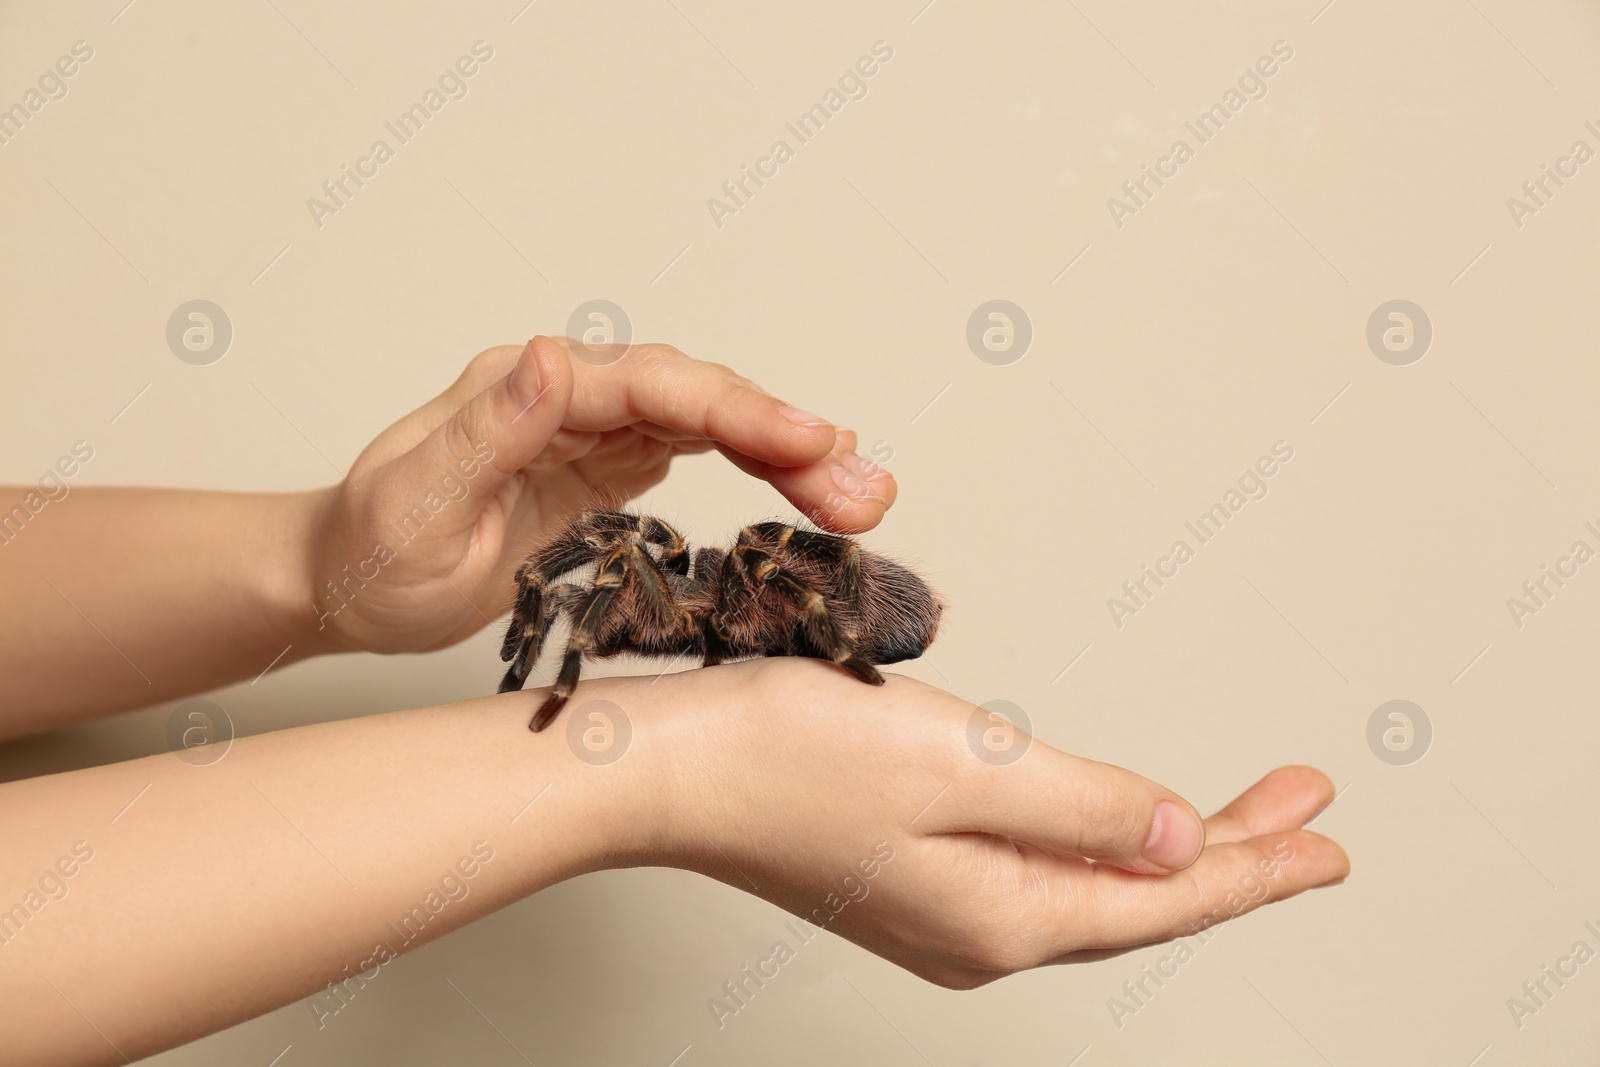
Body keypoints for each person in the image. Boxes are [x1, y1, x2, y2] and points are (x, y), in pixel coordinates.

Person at [0, 337, 1348, 1063]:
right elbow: (602, 612)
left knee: (741, 568)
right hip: (758, 624)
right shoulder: (641, 583)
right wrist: (654, 759)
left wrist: (319, 564)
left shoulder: (736, 578)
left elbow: (753, 582)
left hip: (801, 612)